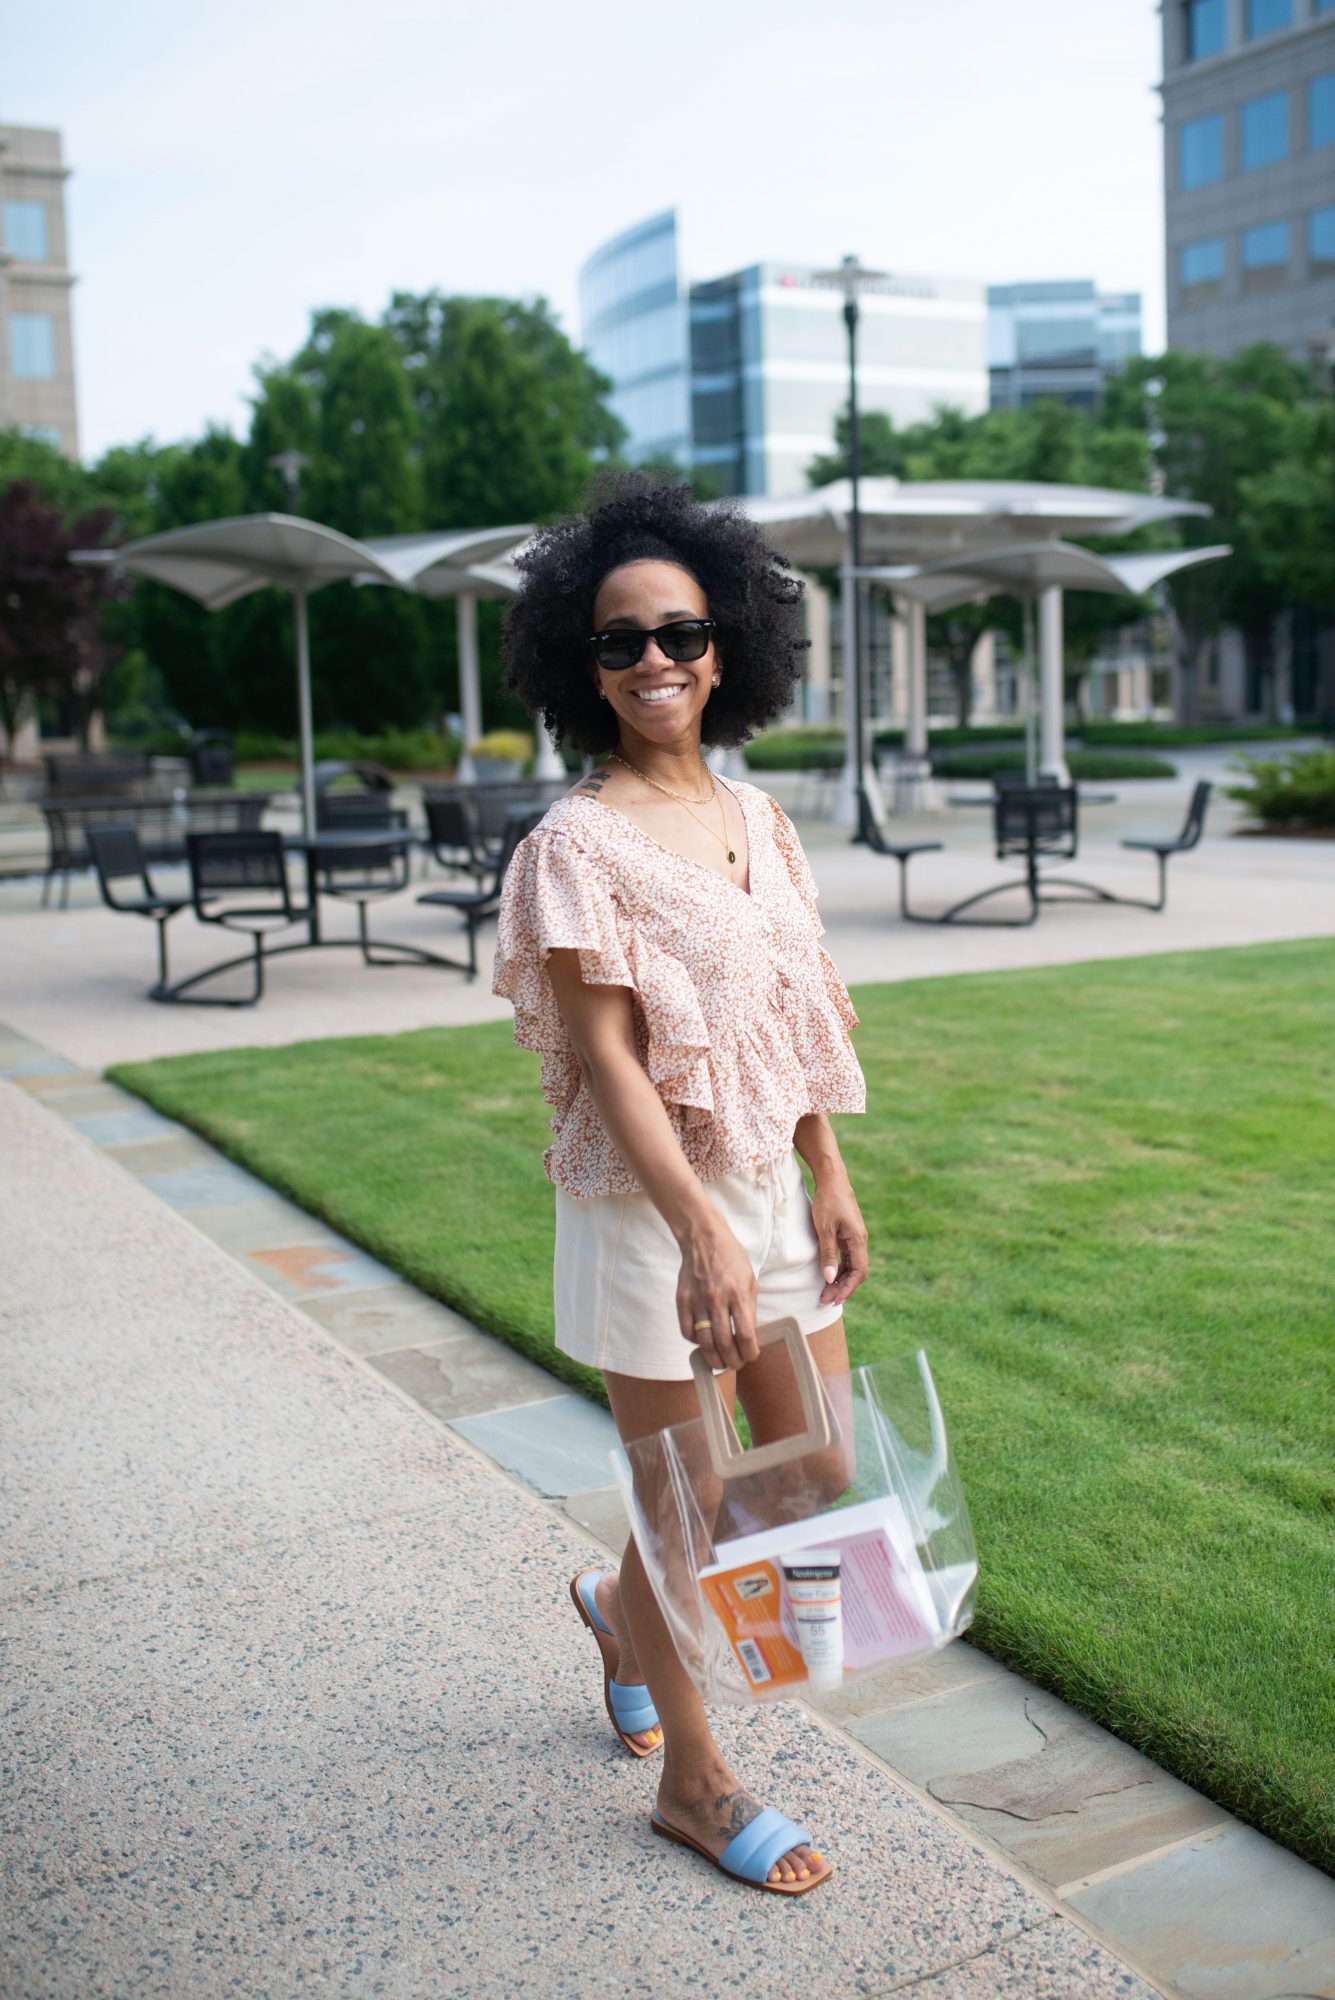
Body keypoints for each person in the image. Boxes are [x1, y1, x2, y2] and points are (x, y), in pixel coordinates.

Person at [493, 473, 867, 1897]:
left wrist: (827, 1170)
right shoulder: (575, 848)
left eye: (683, 633)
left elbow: (803, 1011)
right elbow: (607, 1064)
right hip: (651, 1212)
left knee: (812, 1473)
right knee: (689, 1495)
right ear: (579, 667)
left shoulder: (761, 821)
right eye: (620, 641)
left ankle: (615, 1610)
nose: (656, 660)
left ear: (729, 648)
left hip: (773, 1184)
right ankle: (696, 1786)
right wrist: (704, 1231)